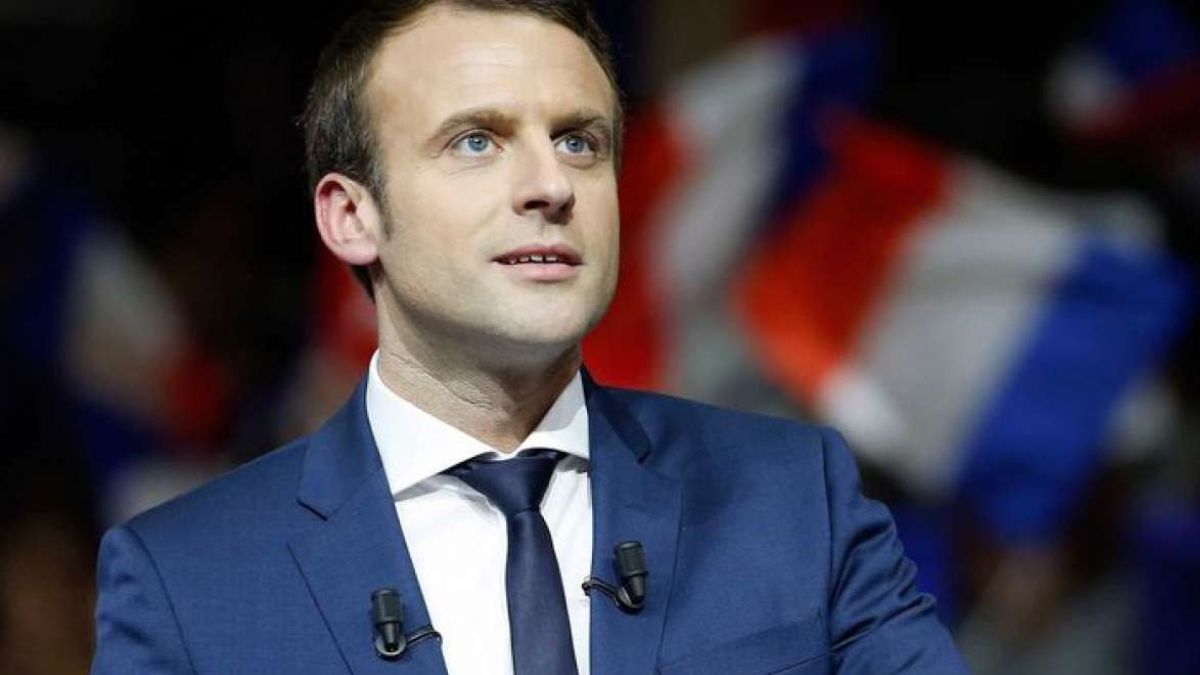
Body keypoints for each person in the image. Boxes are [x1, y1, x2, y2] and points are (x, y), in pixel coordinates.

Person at [91, 1, 968, 673]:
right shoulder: (187, 581)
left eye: (580, 142)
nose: (552, 185)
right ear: (352, 216)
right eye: (478, 141)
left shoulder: (796, 498)